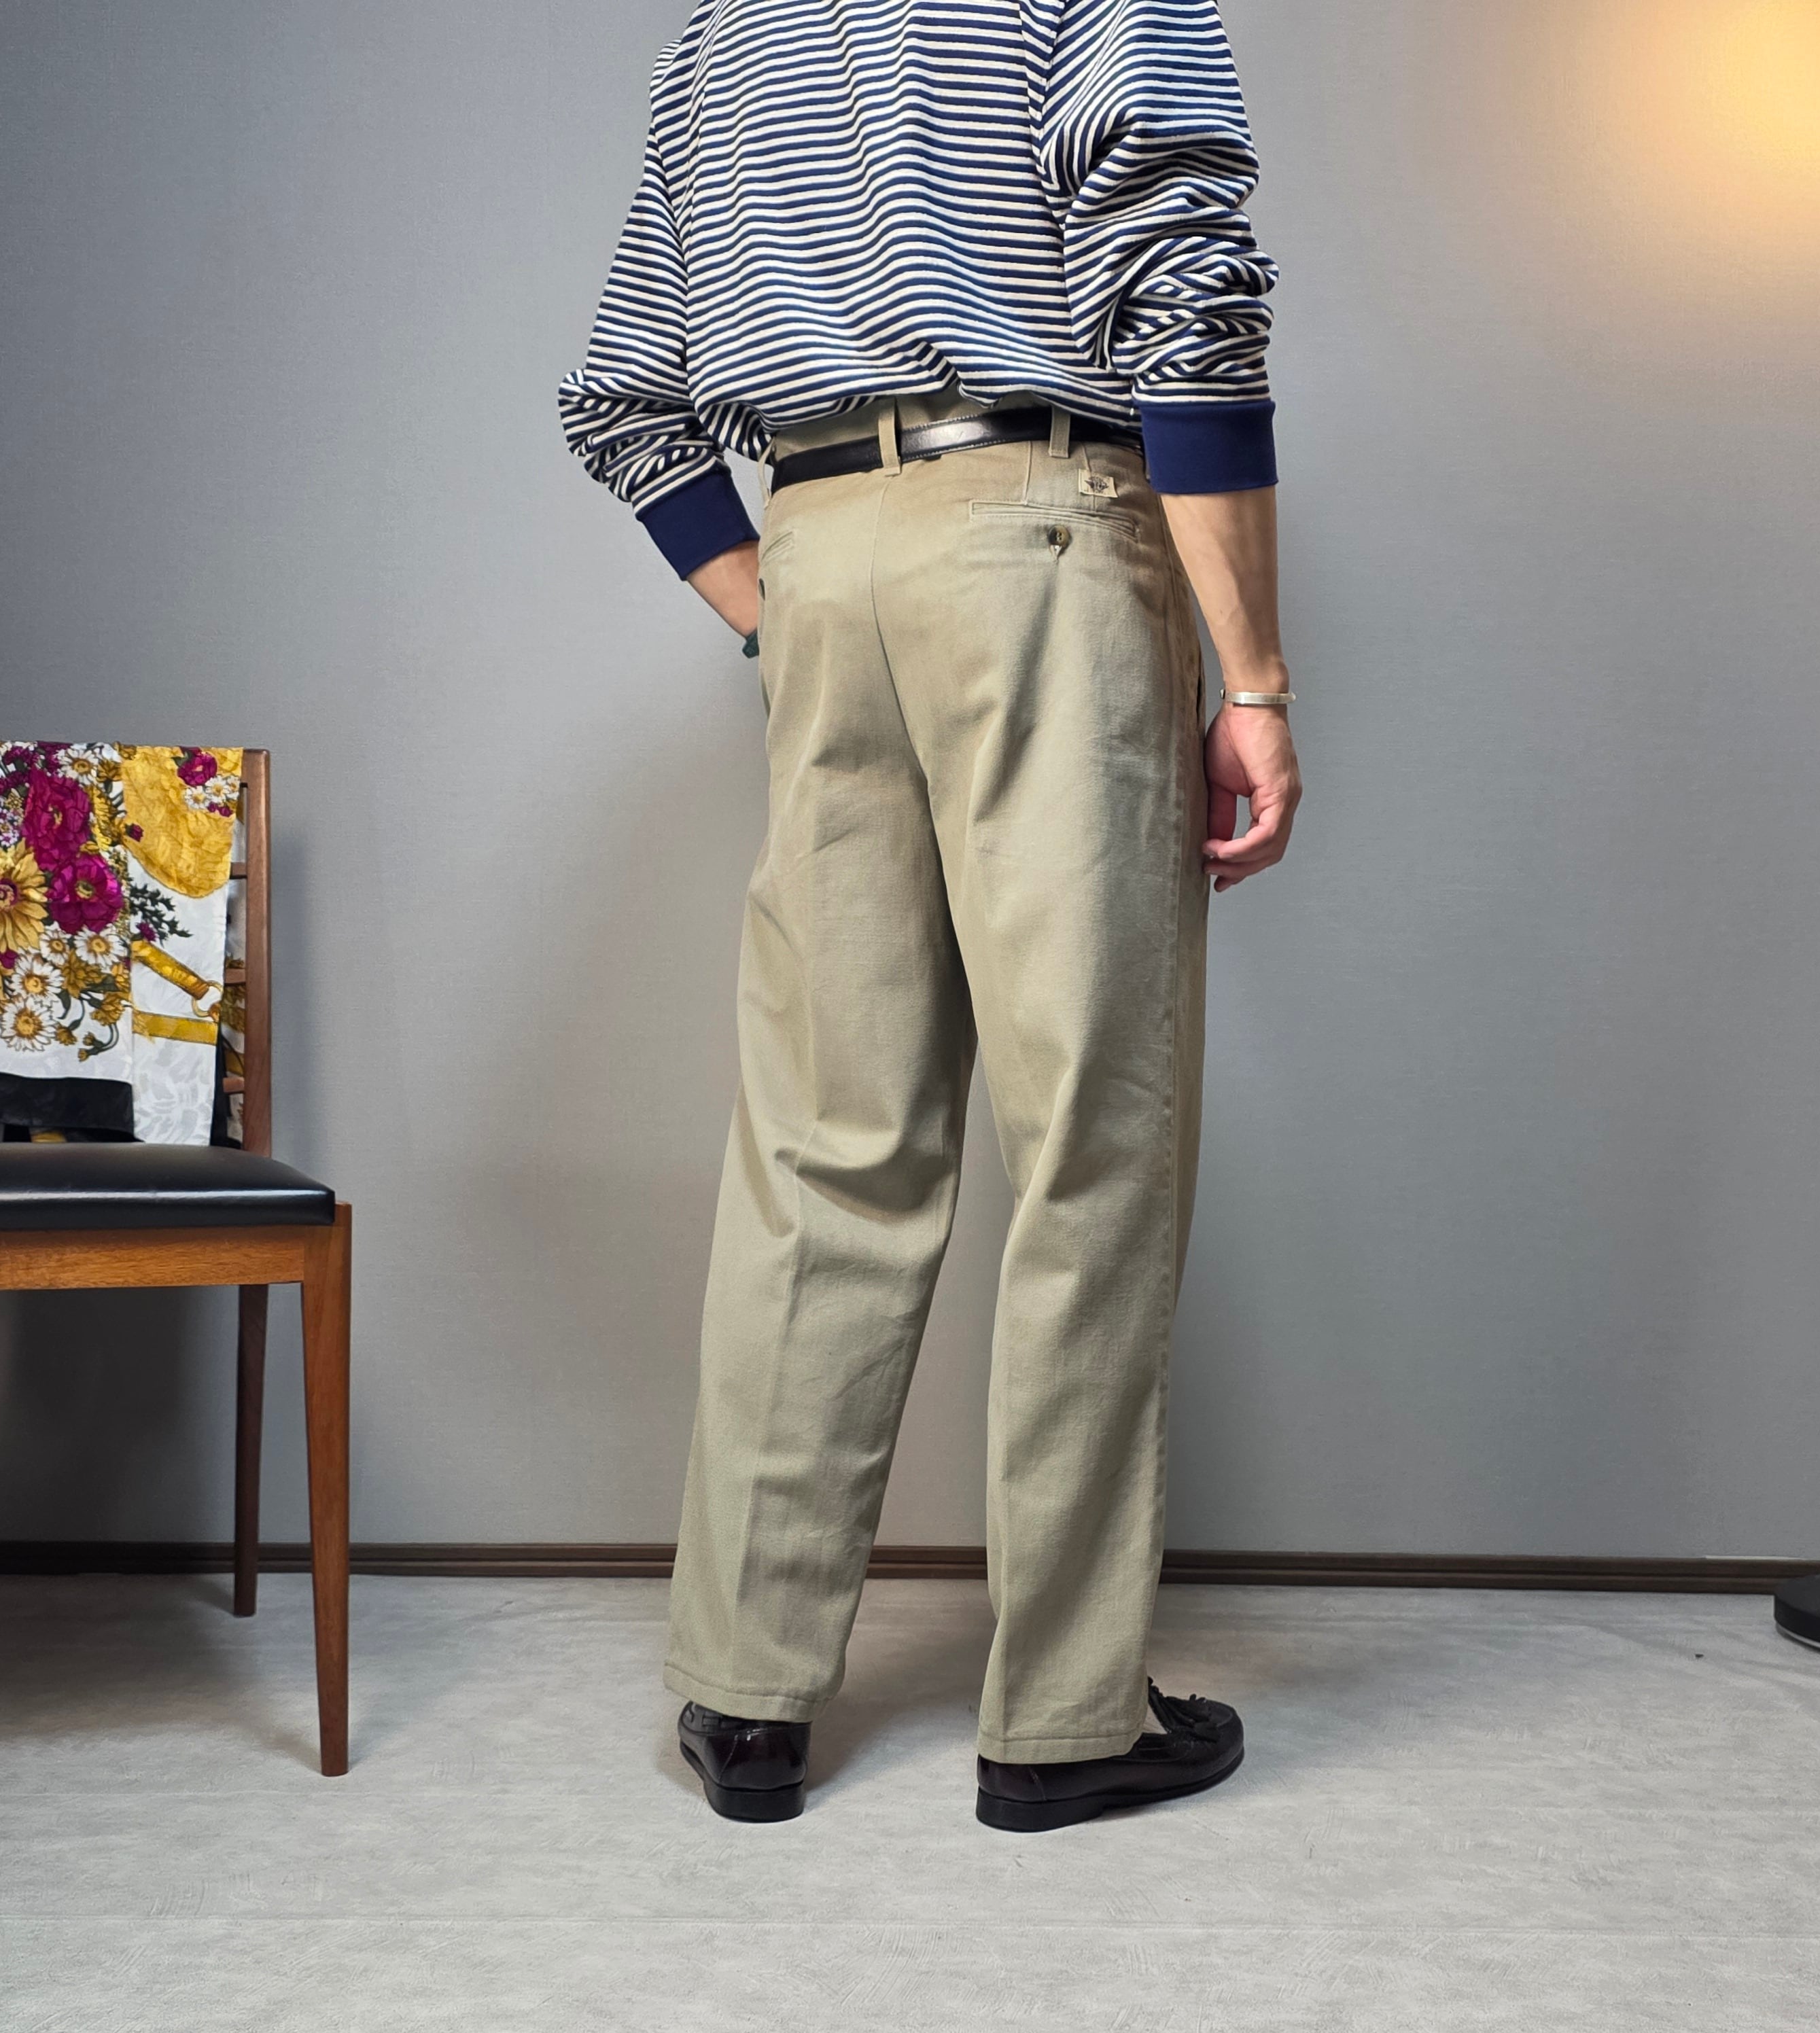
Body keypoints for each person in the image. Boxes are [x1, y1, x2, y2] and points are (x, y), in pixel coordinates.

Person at [559, 0, 1299, 1833]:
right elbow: (1183, 282)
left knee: (828, 1143)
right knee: (1088, 1142)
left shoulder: (721, 31)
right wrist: (1255, 677)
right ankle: (1065, 1717)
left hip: (823, 559)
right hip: (1041, 534)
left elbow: (622, 391)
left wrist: (794, 608)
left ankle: (746, 1695)